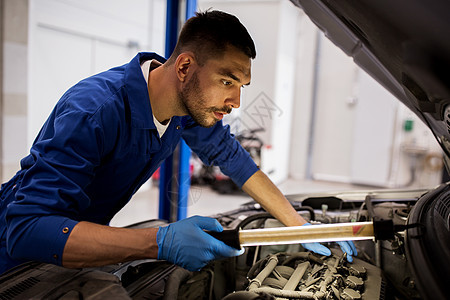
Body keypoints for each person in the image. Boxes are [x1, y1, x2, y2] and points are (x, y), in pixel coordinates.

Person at [0, 10, 356, 275]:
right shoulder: (94, 110)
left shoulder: (185, 109)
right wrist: (159, 242)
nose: (236, 103)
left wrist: (297, 225)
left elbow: (235, 160)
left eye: (241, 87)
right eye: (227, 81)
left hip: (75, 247)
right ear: (184, 67)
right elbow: (27, 229)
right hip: (13, 261)